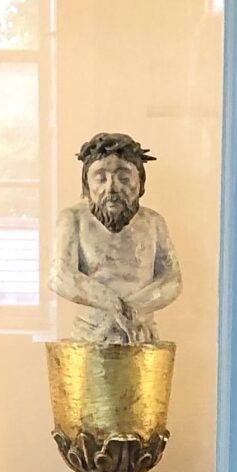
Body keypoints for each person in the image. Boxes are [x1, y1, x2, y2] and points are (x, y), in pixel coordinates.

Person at [49, 131, 182, 345]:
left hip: (141, 335)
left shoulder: (153, 222)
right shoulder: (73, 219)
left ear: (141, 183)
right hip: (92, 334)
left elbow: (172, 279)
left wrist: (134, 310)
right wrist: (114, 305)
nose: (111, 188)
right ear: (86, 185)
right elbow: (60, 276)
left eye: (124, 177)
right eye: (101, 178)